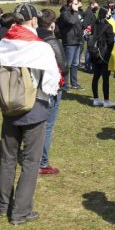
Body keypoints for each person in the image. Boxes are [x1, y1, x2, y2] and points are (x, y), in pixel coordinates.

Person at [0, 3, 61, 225]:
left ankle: (3, 204)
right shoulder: (40, 47)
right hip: (35, 108)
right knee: (31, 161)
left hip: (9, 107)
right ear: (32, 21)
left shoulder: (4, 43)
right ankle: (20, 211)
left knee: (8, 157)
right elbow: (52, 81)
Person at [37, 9, 67, 175]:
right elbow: (64, 66)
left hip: (34, 85)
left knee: (36, 124)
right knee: (47, 125)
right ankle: (42, 162)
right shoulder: (51, 41)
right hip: (49, 87)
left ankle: (35, 157)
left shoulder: (32, 38)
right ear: (52, 24)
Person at [90, 7, 115, 107]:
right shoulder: (108, 26)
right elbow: (111, 42)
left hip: (94, 52)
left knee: (95, 77)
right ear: (106, 14)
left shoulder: (94, 23)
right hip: (104, 55)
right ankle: (106, 100)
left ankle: (96, 98)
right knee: (105, 78)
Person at [57, 0, 84, 89]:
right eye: (75, 4)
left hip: (77, 40)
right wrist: (75, 12)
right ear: (70, 4)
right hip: (69, 41)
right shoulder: (65, 13)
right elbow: (71, 21)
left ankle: (75, 84)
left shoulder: (75, 13)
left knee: (75, 64)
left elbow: (80, 24)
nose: (77, 6)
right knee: (67, 64)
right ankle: (65, 84)